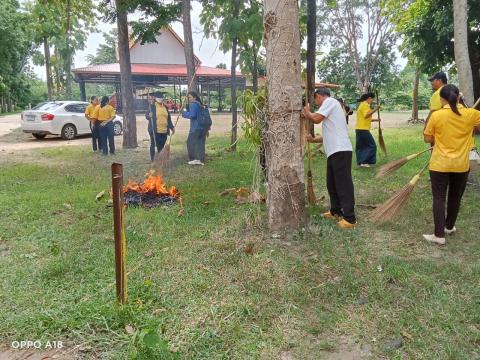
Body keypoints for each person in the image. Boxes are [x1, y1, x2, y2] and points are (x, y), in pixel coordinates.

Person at [422, 84, 480, 245]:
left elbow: (427, 138)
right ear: (458, 97)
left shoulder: (437, 115)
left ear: (442, 99)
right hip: (461, 165)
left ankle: (439, 235)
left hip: (440, 164)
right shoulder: (471, 113)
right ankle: (449, 226)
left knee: (439, 198)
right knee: (455, 197)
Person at [303, 88, 357, 229]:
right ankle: (336, 211)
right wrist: (312, 139)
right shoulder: (333, 109)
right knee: (332, 183)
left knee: (343, 184)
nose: (317, 104)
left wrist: (307, 111)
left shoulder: (330, 101)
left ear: (319, 96)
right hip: (334, 151)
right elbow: (326, 136)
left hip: (340, 150)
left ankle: (350, 218)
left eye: (316, 101)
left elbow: (315, 119)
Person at [145, 95, 175, 162]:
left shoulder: (165, 107)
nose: (160, 99)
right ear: (156, 98)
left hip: (164, 131)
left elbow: (168, 119)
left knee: (161, 146)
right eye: (159, 97)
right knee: (154, 144)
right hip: (154, 130)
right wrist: (149, 116)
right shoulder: (152, 106)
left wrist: (172, 127)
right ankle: (153, 160)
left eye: (161, 97)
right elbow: (147, 116)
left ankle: (160, 159)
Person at [355, 92, 380, 167]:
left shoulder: (362, 105)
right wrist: (376, 109)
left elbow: (365, 118)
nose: (372, 101)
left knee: (361, 146)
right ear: (369, 98)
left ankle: (361, 162)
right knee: (372, 145)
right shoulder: (365, 105)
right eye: (372, 99)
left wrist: (376, 120)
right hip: (363, 129)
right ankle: (364, 162)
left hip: (360, 128)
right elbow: (366, 115)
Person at [182, 91, 207, 165]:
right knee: (200, 143)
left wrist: (183, 113)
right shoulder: (199, 104)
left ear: (194, 97)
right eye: (188, 97)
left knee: (190, 143)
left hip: (195, 128)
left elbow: (192, 115)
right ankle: (201, 159)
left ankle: (194, 159)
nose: (189, 99)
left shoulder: (193, 104)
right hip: (202, 128)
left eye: (190, 97)